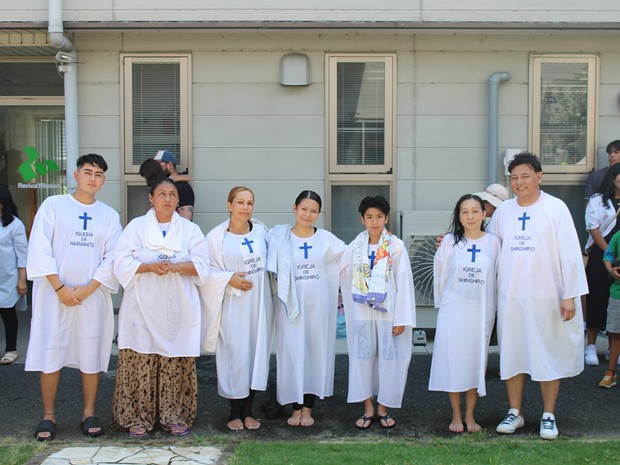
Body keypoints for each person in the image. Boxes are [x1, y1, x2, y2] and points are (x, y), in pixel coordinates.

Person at [489, 152, 587, 440]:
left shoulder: (556, 208)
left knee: (548, 353)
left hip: (547, 296)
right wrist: (454, 242)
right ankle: (515, 412)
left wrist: (570, 295)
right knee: (513, 354)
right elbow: (489, 247)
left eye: (525, 176)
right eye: (514, 178)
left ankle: (548, 415)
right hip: (512, 297)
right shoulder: (504, 211)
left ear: (539, 177)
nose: (519, 182)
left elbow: (570, 254)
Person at [26, 154, 122, 441]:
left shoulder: (109, 215)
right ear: (76, 175)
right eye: (88, 172)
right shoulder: (54, 205)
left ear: (103, 180)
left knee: (90, 352)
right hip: (54, 296)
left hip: (90, 298)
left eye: (99, 174)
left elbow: (112, 258)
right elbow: (40, 248)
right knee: (51, 351)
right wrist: (60, 288)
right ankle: (48, 416)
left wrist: (88, 288)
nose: (93, 178)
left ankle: (89, 412)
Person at [112, 177, 210, 438]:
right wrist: (147, 267)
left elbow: (202, 265)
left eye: (172, 195)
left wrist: (176, 267)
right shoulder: (136, 227)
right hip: (141, 307)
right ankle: (138, 417)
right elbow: (120, 261)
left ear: (179, 201)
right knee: (141, 359)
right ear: (151, 198)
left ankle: (174, 415)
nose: (167, 199)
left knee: (173, 362)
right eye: (162, 194)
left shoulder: (189, 230)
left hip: (177, 309)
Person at [266, 190, 345, 427]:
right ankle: (295, 407)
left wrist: (385, 241)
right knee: (291, 354)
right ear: (294, 208)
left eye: (313, 211)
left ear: (319, 213)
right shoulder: (279, 237)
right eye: (304, 209)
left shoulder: (327, 240)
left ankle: (308, 408)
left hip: (317, 309)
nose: (308, 215)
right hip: (290, 309)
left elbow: (354, 256)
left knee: (314, 354)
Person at [339, 195, 416, 430]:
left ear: (386, 219)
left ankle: (383, 406)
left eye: (379, 217)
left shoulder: (395, 246)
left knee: (389, 358)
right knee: (362, 358)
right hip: (362, 311)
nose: (374, 222)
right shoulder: (354, 246)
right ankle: (367, 407)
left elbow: (404, 282)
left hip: (388, 312)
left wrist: (402, 317)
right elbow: (340, 272)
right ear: (362, 219)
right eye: (369, 217)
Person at [201, 186, 274, 431]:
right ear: (229, 204)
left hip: (259, 306)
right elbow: (205, 271)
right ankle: (234, 412)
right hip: (233, 306)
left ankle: (249, 411)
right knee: (235, 354)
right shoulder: (216, 237)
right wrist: (228, 278)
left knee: (255, 354)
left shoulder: (262, 232)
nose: (245, 208)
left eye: (250, 203)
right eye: (240, 202)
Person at [429, 194, 500, 433]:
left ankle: (471, 415)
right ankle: (456, 415)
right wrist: (443, 304)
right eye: (464, 212)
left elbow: (498, 277)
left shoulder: (493, 243)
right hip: (454, 311)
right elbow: (439, 274)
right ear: (458, 216)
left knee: (475, 362)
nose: (470, 216)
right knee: (454, 361)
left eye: (475, 211)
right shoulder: (449, 241)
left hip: (480, 313)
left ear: (484, 214)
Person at [583, 164, 620, 366]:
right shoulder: (597, 200)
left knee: (618, 300)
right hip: (600, 254)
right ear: (613, 178)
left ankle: (614, 347)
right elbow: (592, 227)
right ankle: (590, 346)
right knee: (597, 297)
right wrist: (610, 252)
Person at [0, 185, 28, 365]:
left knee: (7, 312)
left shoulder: (14, 224)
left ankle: (11, 349)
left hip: (7, 277)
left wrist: (22, 280)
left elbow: (22, 254)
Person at [599, 231, 620, 388]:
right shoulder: (618, 236)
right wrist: (610, 270)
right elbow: (608, 256)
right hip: (617, 293)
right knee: (616, 335)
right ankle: (610, 373)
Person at [154, 150, 195, 221]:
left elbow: (185, 221)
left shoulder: (183, 187)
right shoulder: (158, 186)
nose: (155, 169)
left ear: (170, 165)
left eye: (159, 165)